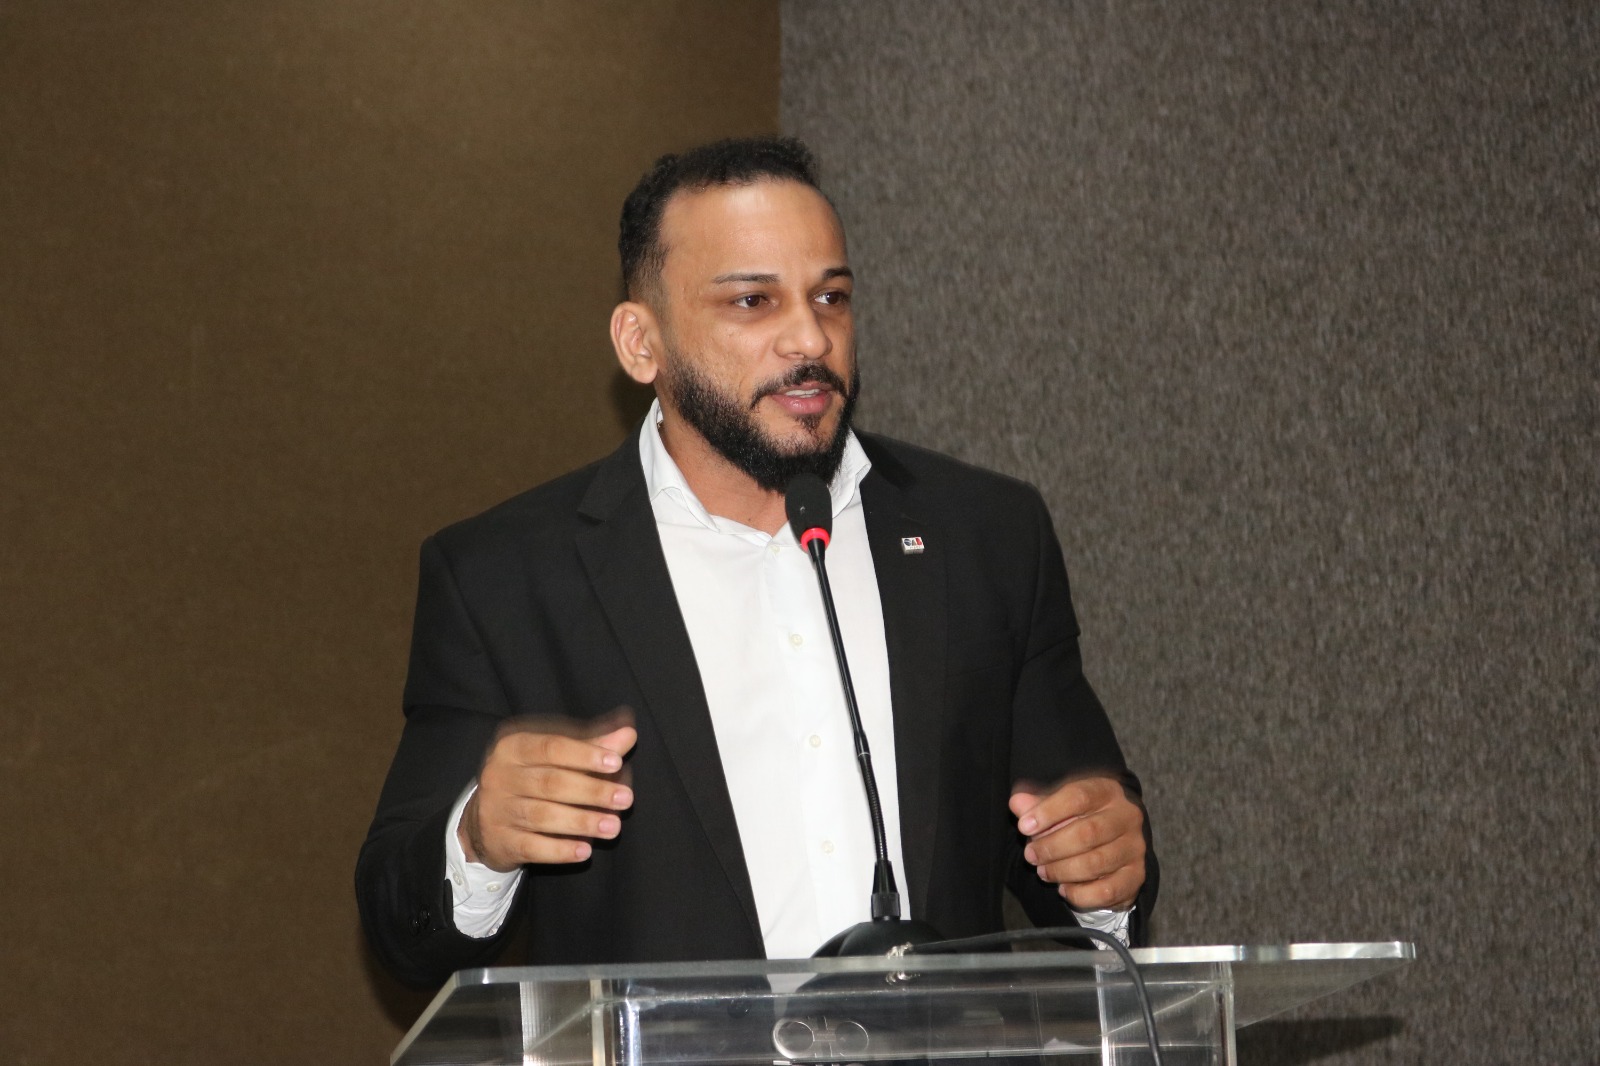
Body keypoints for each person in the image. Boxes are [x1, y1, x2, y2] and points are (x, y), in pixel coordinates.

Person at [357, 136, 1157, 989]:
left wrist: (1104, 874)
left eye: (831, 297)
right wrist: (479, 837)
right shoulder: (507, 578)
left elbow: (1082, 846)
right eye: (752, 301)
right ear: (641, 343)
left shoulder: (984, 537)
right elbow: (401, 924)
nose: (810, 337)